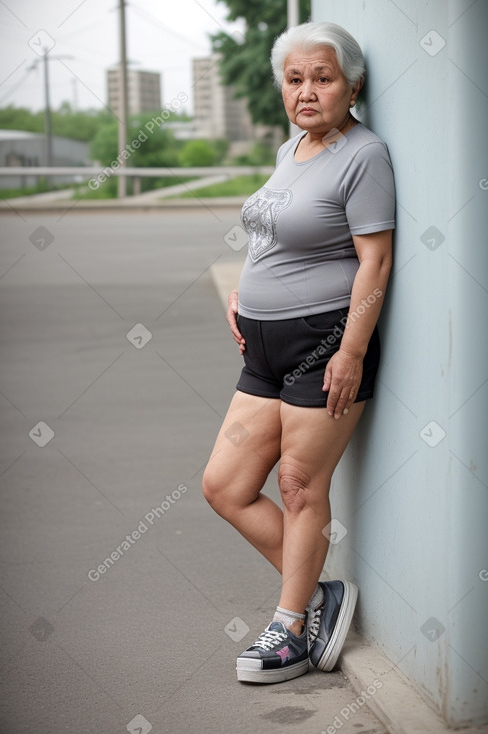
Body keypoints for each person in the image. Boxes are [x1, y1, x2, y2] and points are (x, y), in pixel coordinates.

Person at [202, 20, 395, 684]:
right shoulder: (293, 150)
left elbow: (376, 260)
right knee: (224, 487)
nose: (306, 91)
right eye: (294, 80)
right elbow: (275, 236)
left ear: (352, 84)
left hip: (322, 343)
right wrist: (243, 294)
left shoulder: (362, 155)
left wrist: (350, 351)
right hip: (261, 345)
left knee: (297, 485)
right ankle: (318, 592)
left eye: (322, 77)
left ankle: (288, 627)